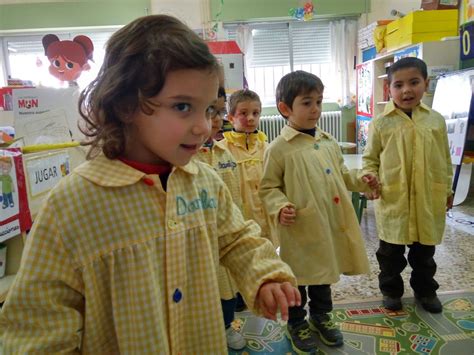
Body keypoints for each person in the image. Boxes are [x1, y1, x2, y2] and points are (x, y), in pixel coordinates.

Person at [0, 15, 301, 354]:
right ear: (125, 103)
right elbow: (39, 324)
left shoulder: (204, 181)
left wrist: (265, 274)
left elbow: (236, 239)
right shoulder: (72, 204)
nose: (203, 126)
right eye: (183, 106)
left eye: (209, 110)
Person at [259, 70, 380, 353]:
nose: (315, 109)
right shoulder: (278, 149)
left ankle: (322, 318)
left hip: (328, 224)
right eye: (306, 103)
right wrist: (280, 206)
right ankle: (297, 323)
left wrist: (362, 180)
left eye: (319, 101)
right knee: (300, 278)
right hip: (301, 228)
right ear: (285, 108)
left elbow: (342, 174)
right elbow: (267, 188)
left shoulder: (328, 142)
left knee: (324, 275)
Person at [362, 57, 453, 314]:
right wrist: (369, 178)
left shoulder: (436, 121)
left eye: (414, 83)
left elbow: (445, 159)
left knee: (424, 254)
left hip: (427, 198)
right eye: (398, 85)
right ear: (388, 89)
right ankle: (391, 292)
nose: (406, 90)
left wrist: (447, 189)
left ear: (426, 83)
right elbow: (370, 159)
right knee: (390, 255)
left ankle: (426, 292)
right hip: (394, 200)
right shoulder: (381, 123)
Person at [193, 86, 246, 350]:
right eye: (209, 110)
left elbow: (234, 199)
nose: (216, 119)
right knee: (204, 291)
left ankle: (226, 326)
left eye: (220, 111)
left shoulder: (225, 154)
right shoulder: (188, 158)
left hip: (225, 237)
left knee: (228, 289)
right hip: (198, 243)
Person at [216, 89, 276, 247]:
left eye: (255, 113)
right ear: (231, 118)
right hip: (240, 220)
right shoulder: (221, 151)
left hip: (267, 220)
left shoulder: (267, 148)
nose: (250, 118)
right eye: (243, 113)